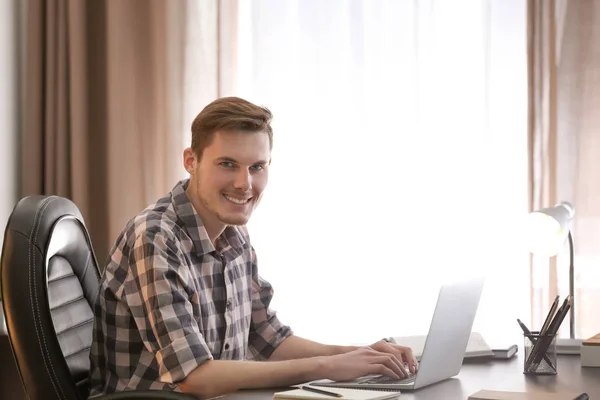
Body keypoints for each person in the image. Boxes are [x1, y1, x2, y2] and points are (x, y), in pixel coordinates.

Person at [89, 97, 415, 399]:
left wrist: (357, 356)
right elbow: (194, 375)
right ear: (191, 161)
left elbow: (267, 336)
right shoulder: (156, 238)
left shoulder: (233, 232)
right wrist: (328, 369)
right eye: (227, 164)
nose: (244, 184)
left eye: (256, 167)